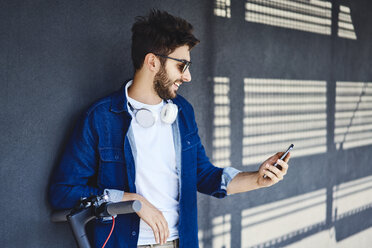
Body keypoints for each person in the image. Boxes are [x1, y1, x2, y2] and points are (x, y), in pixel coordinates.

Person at [49, 9, 290, 248]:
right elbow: (63, 192)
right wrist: (130, 200)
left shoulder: (182, 112)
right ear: (152, 61)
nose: (188, 77)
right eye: (182, 65)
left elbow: (204, 175)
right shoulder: (100, 118)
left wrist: (257, 179)